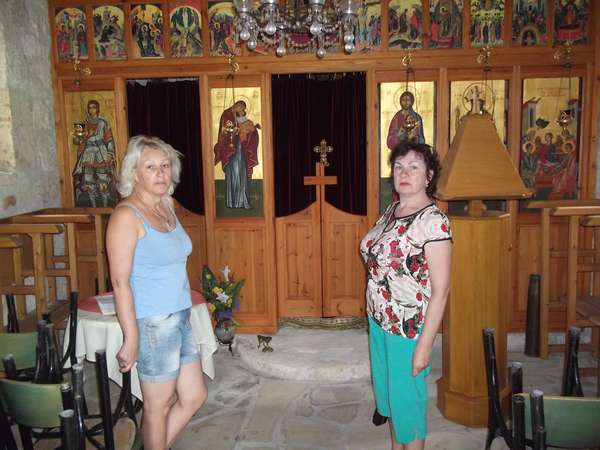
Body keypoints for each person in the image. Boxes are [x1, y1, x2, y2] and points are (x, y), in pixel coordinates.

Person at [106, 135, 207, 450]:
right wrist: (131, 337)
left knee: (194, 396)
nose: (161, 173)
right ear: (134, 173)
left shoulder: (166, 206)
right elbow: (120, 283)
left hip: (179, 316)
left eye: (165, 165)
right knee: (157, 407)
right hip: (153, 323)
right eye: (150, 167)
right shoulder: (126, 216)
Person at [360, 142, 452, 450]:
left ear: (429, 176)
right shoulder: (392, 210)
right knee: (392, 401)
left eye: (414, 167)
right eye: (399, 166)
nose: (404, 172)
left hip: (407, 329)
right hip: (380, 322)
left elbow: (441, 290)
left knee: (408, 407)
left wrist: (425, 346)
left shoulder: (433, 222)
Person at [213, 100, 260, 209]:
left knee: (242, 173)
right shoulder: (227, 114)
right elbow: (225, 131)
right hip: (231, 151)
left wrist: (252, 131)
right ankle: (233, 202)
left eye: (243, 109)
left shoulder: (243, 119)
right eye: (241, 107)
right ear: (237, 106)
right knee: (234, 174)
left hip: (240, 149)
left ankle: (243, 202)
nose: (242, 110)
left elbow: (250, 133)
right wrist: (235, 130)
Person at [72, 99, 117, 207]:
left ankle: (105, 207)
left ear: (98, 109)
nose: (92, 109)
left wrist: (110, 153)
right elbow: (76, 141)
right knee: (88, 182)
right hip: (88, 154)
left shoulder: (103, 123)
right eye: (90, 107)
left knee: (103, 181)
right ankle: (93, 207)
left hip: (101, 154)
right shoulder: (82, 124)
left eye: (94, 107)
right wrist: (87, 135)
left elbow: (109, 140)